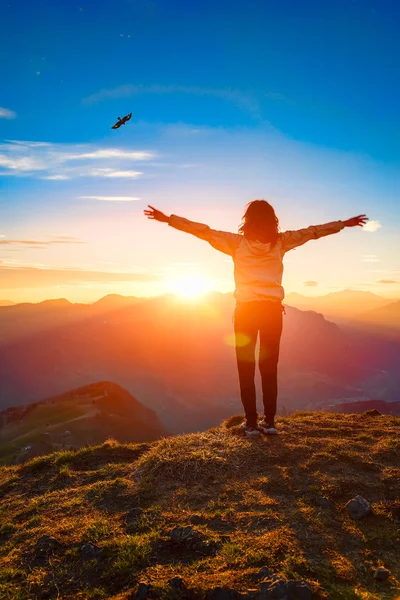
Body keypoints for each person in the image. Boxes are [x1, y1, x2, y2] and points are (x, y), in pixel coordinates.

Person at [144, 201, 368, 437]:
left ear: (247, 220)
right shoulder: (281, 242)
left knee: (246, 368)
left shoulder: (236, 243)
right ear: (273, 220)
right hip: (271, 313)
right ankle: (270, 423)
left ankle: (251, 424)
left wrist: (168, 219)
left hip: (246, 312)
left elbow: (202, 231)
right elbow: (313, 232)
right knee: (269, 367)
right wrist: (343, 224)